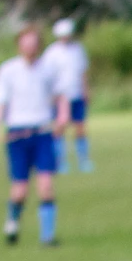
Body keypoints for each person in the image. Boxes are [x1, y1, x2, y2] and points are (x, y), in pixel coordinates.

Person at [0, 26, 68, 247]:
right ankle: (12, 222)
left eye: (33, 43)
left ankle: (47, 237)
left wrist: (62, 117)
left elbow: (61, 96)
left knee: (46, 185)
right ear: (19, 45)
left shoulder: (49, 69)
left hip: (42, 134)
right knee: (20, 190)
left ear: (39, 45)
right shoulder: (8, 70)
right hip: (17, 136)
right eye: (25, 43)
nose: (30, 47)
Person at [41, 18, 92, 173]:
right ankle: (60, 161)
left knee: (80, 127)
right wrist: (50, 96)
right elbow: (46, 76)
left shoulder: (78, 49)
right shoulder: (51, 53)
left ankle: (83, 160)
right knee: (59, 128)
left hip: (76, 93)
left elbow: (82, 72)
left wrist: (86, 90)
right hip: (60, 96)